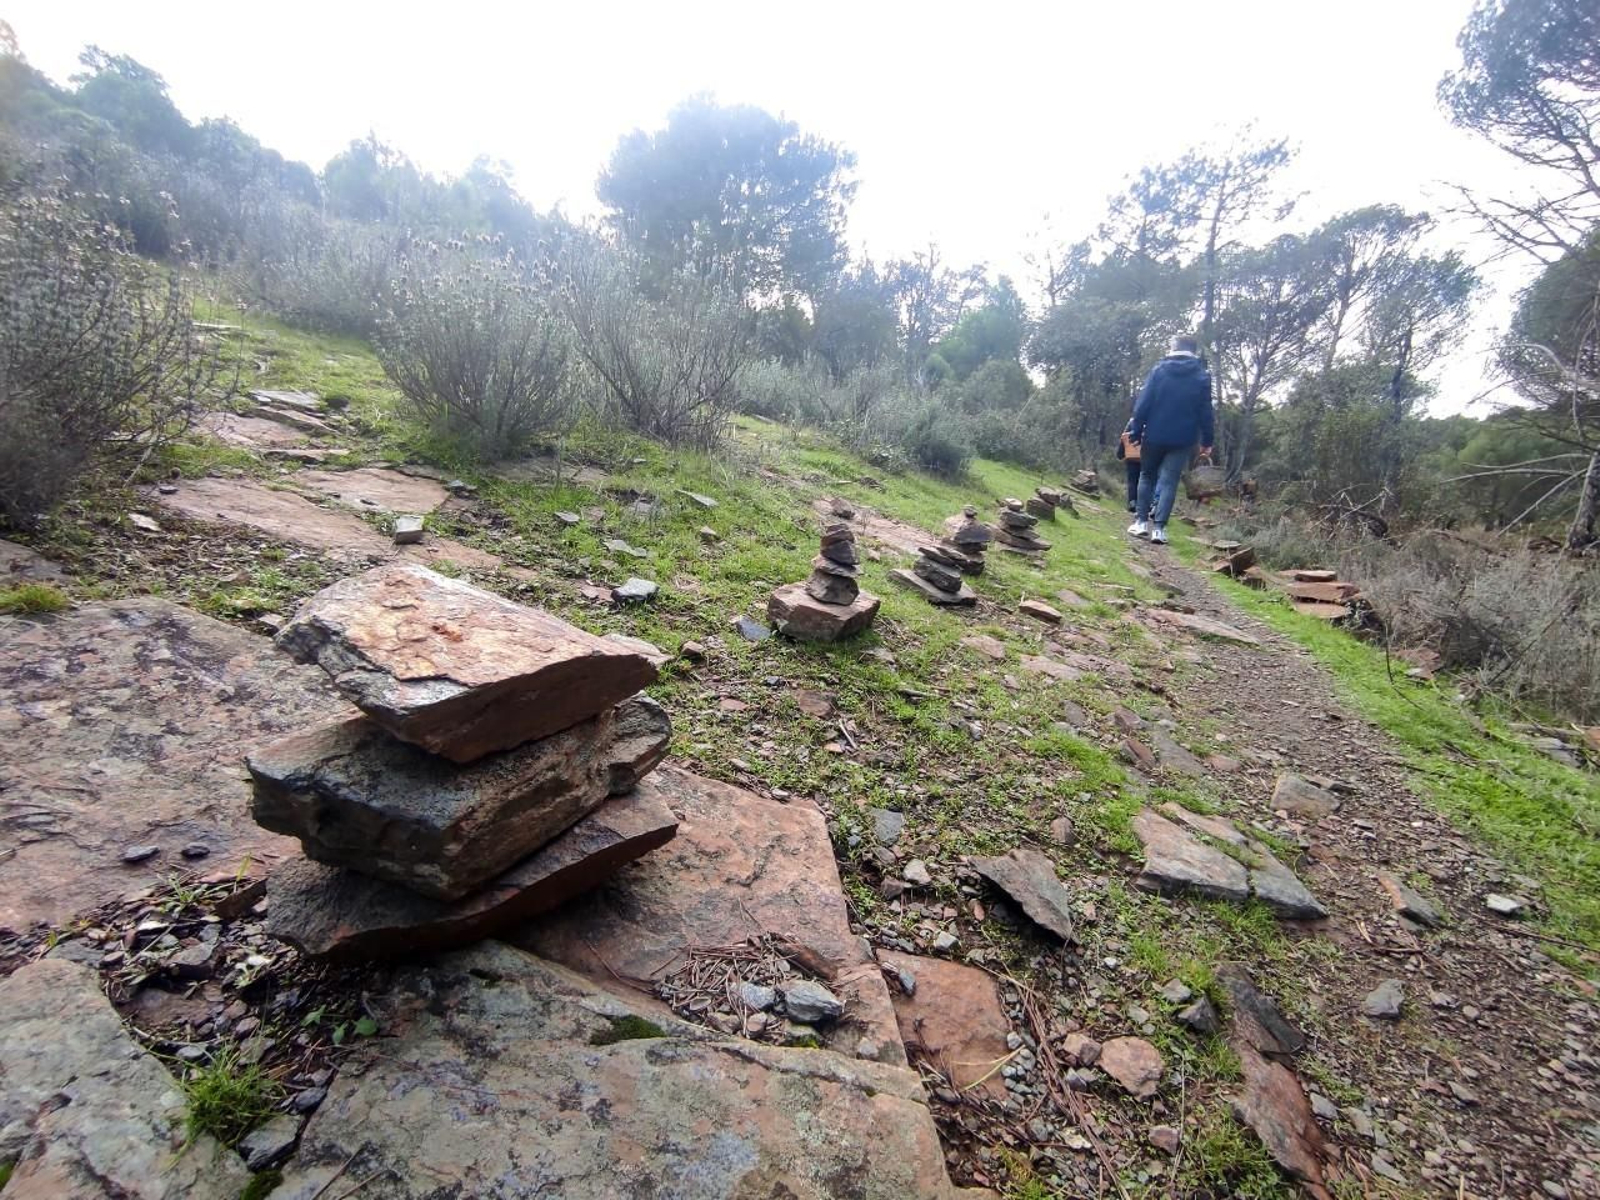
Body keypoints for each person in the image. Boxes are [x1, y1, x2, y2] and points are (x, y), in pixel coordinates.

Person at [1127, 334, 1214, 545]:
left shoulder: (1159, 371)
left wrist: (1136, 431)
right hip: (1183, 438)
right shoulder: (1202, 376)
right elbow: (1206, 412)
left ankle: (1140, 523)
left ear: (1175, 347)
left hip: (1155, 434)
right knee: (1169, 481)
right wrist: (1207, 440)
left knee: (1147, 476)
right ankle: (1159, 530)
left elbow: (1144, 403)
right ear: (1193, 351)